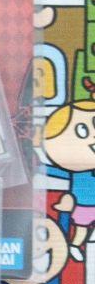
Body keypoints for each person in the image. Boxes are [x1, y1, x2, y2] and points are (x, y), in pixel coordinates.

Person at [44, 100, 95, 260]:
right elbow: (56, 171)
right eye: (82, 130)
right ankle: (74, 245)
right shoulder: (78, 167)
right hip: (84, 204)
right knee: (81, 229)